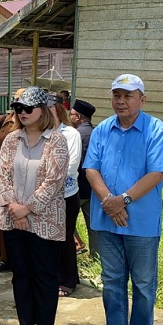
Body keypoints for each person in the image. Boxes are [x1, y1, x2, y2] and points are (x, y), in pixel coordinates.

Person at [84, 74, 163, 325]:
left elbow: (157, 173)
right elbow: (91, 170)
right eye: (116, 96)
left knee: (144, 283)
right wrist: (109, 202)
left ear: (142, 99)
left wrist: (120, 200)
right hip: (106, 218)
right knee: (112, 280)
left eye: (128, 96)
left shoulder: (156, 130)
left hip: (141, 221)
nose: (121, 101)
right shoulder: (101, 130)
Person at [0, 87, 68, 325]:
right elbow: (1, 174)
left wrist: (27, 208)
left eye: (28, 108)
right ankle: (25, 324)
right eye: (19, 108)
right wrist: (15, 208)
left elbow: (54, 180)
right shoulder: (12, 139)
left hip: (45, 220)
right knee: (21, 274)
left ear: (42, 110)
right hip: (13, 217)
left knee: (45, 275)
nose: (22, 113)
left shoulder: (56, 140)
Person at [0, 88, 25, 274]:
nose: (19, 106)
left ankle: (23, 259)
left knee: (25, 220)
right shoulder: (2, 120)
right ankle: (5, 258)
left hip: (27, 179)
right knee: (3, 219)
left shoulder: (34, 122)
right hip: (3, 178)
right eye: (16, 101)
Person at [50, 94, 82, 298]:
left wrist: (46, 179)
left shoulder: (70, 133)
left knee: (65, 236)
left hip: (66, 193)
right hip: (43, 196)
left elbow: (71, 166)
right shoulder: (39, 132)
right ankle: (52, 276)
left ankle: (68, 279)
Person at [71, 99, 97, 259]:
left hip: (77, 187)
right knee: (93, 226)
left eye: (72, 114)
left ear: (78, 117)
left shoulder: (77, 135)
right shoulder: (96, 133)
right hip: (94, 188)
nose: (70, 117)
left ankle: (77, 243)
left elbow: (74, 163)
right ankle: (96, 257)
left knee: (65, 220)